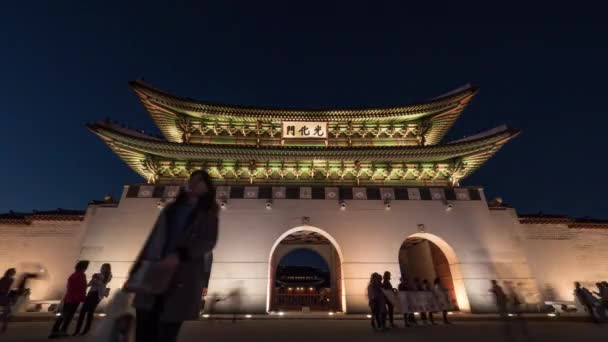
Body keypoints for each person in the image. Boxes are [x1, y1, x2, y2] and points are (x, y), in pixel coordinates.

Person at [131, 169, 219, 342]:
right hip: (153, 274)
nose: (194, 182)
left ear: (207, 188)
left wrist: (180, 255)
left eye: (199, 180)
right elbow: (153, 240)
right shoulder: (170, 209)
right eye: (192, 179)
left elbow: (208, 241)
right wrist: (136, 270)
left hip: (180, 277)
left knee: (166, 331)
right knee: (143, 328)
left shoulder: (209, 214)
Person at [49, 260, 89, 339]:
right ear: (84, 268)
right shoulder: (81, 275)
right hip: (75, 299)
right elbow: (82, 287)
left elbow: (70, 287)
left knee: (64, 315)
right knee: (69, 316)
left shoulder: (73, 275)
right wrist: (83, 297)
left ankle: (55, 331)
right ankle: (62, 330)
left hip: (69, 298)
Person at [73, 263, 113, 336]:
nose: (102, 268)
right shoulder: (97, 275)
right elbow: (91, 283)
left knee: (90, 312)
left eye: (104, 267)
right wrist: (85, 286)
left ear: (107, 269)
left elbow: (103, 284)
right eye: (102, 267)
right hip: (91, 294)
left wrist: (96, 279)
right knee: (83, 311)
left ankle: (85, 330)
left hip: (97, 295)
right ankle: (77, 330)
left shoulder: (108, 276)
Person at [0, 268, 17, 334]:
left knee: (7, 312)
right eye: (13, 272)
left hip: (6, 297)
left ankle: (4, 325)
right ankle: (4, 325)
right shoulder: (5, 279)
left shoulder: (8, 279)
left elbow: (11, 289)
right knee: (6, 312)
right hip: (4, 297)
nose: (14, 273)